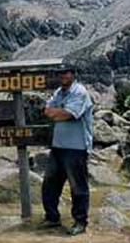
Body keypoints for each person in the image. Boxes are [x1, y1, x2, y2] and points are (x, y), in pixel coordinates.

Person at [40, 66, 93, 236]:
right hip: (58, 146)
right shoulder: (59, 92)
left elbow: (68, 114)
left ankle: (80, 221)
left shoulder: (80, 92)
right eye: (60, 73)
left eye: (66, 73)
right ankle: (52, 217)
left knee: (78, 186)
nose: (62, 76)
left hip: (76, 147)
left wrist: (57, 112)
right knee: (50, 183)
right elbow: (47, 111)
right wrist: (57, 112)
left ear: (72, 74)